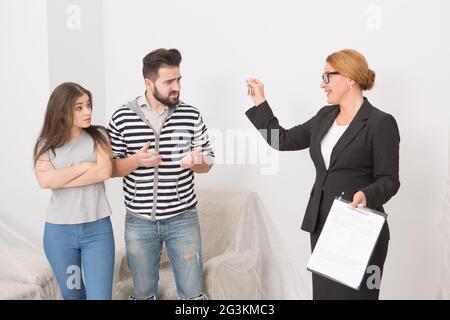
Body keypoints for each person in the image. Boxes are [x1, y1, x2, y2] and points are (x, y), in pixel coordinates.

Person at [245, 49, 400, 300]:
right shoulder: (324, 116)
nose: (322, 84)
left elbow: (389, 180)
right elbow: (281, 140)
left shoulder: (380, 123)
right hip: (323, 226)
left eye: (327, 77)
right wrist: (260, 102)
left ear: (350, 78)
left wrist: (367, 194)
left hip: (359, 228)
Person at [107, 48, 214, 300]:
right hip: (139, 222)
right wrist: (136, 160)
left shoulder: (191, 114)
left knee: (192, 294)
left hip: (182, 219)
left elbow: (208, 161)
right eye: (168, 82)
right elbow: (110, 168)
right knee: (143, 293)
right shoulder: (122, 117)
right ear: (148, 83)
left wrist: (196, 162)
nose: (176, 86)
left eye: (178, 79)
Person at [33, 82, 115, 300]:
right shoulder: (46, 144)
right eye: (79, 107)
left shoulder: (99, 136)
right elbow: (44, 180)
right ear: (62, 111)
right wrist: (85, 166)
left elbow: (104, 172)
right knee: (73, 295)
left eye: (88, 105)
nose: (87, 111)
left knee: (100, 297)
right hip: (60, 236)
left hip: (97, 232)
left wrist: (59, 177)